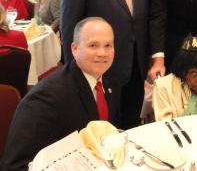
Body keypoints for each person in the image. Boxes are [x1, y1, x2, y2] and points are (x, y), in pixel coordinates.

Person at [61, 0, 150, 129]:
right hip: (100, 64)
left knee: (132, 123)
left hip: (137, 64)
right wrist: (71, 68)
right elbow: (69, 23)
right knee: (102, 125)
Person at [1, 17, 120, 171]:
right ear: (74, 49)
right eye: (93, 45)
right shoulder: (46, 99)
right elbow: (15, 166)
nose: (102, 53)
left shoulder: (110, 82)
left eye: (108, 45)